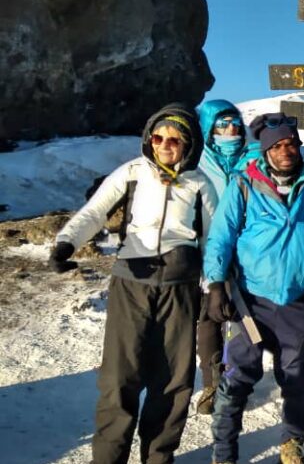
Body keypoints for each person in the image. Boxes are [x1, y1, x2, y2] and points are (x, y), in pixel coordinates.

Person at [50, 103, 217, 464]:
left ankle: (158, 457)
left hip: (180, 285)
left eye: (175, 139)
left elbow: (214, 237)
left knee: (173, 380)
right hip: (132, 282)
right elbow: (96, 211)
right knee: (119, 376)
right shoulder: (131, 172)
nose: (165, 144)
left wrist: (215, 282)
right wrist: (67, 242)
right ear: (149, 139)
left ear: (188, 144)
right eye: (158, 137)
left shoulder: (199, 182)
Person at [203, 112, 304, 464]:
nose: (287, 151)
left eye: (291, 144)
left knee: (296, 376)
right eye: (278, 145)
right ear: (266, 151)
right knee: (239, 375)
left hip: (296, 302)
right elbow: (221, 238)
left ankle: (292, 441)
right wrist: (216, 284)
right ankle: (224, 452)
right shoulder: (244, 184)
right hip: (249, 300)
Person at [194, 99, 257, 415]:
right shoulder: (196, 161)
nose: (230, 129)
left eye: (234, 123)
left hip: (250, 252)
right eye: (222, 124)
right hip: (210, 250)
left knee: (246, 319)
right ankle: (211, 382)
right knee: (210, 317)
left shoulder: (254, 157)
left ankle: (238, 381)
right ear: (208, 128)